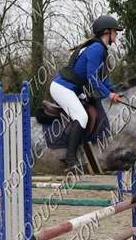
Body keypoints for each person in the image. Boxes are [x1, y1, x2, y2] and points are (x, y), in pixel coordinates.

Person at [50, 15, 123, 170]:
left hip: (72, 88)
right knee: (81, 116)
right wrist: (108, 94)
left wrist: (115, 90)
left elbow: (102, 78)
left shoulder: (100, 49)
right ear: (107, 32)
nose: (116, 34)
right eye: (115, 31)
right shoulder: (97, 49)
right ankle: (70, 159)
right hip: (62, 87)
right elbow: (92, 78)